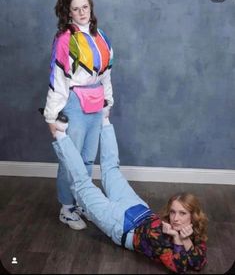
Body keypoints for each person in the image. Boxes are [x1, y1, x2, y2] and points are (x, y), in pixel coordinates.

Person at [52, 117, 208, 274]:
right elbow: (193, 259)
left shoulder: (174, 235)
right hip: (139, 208)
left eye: (182, 213)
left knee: (82, 185)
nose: (175, 218)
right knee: (112, 169)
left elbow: (187, 266)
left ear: (192, 215)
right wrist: (183, 239)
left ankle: (59, 133)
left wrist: (180, 238)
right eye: (173, 211)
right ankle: (105, 118)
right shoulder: (170, 230)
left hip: (120, 224)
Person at [43, 0, 114, 230]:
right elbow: (58, 80)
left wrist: (107, 103)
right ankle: (66, 208)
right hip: (74, 104)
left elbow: (106, 76)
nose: (82, 12)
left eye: (85, 7)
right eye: (76, 9)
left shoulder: (101, 36)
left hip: (95, 104)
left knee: (86, 159)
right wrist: (51, 117)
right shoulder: (65, 39)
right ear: (68, 13)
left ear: (90, 8)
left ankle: (80, 201)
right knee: (69, 161)